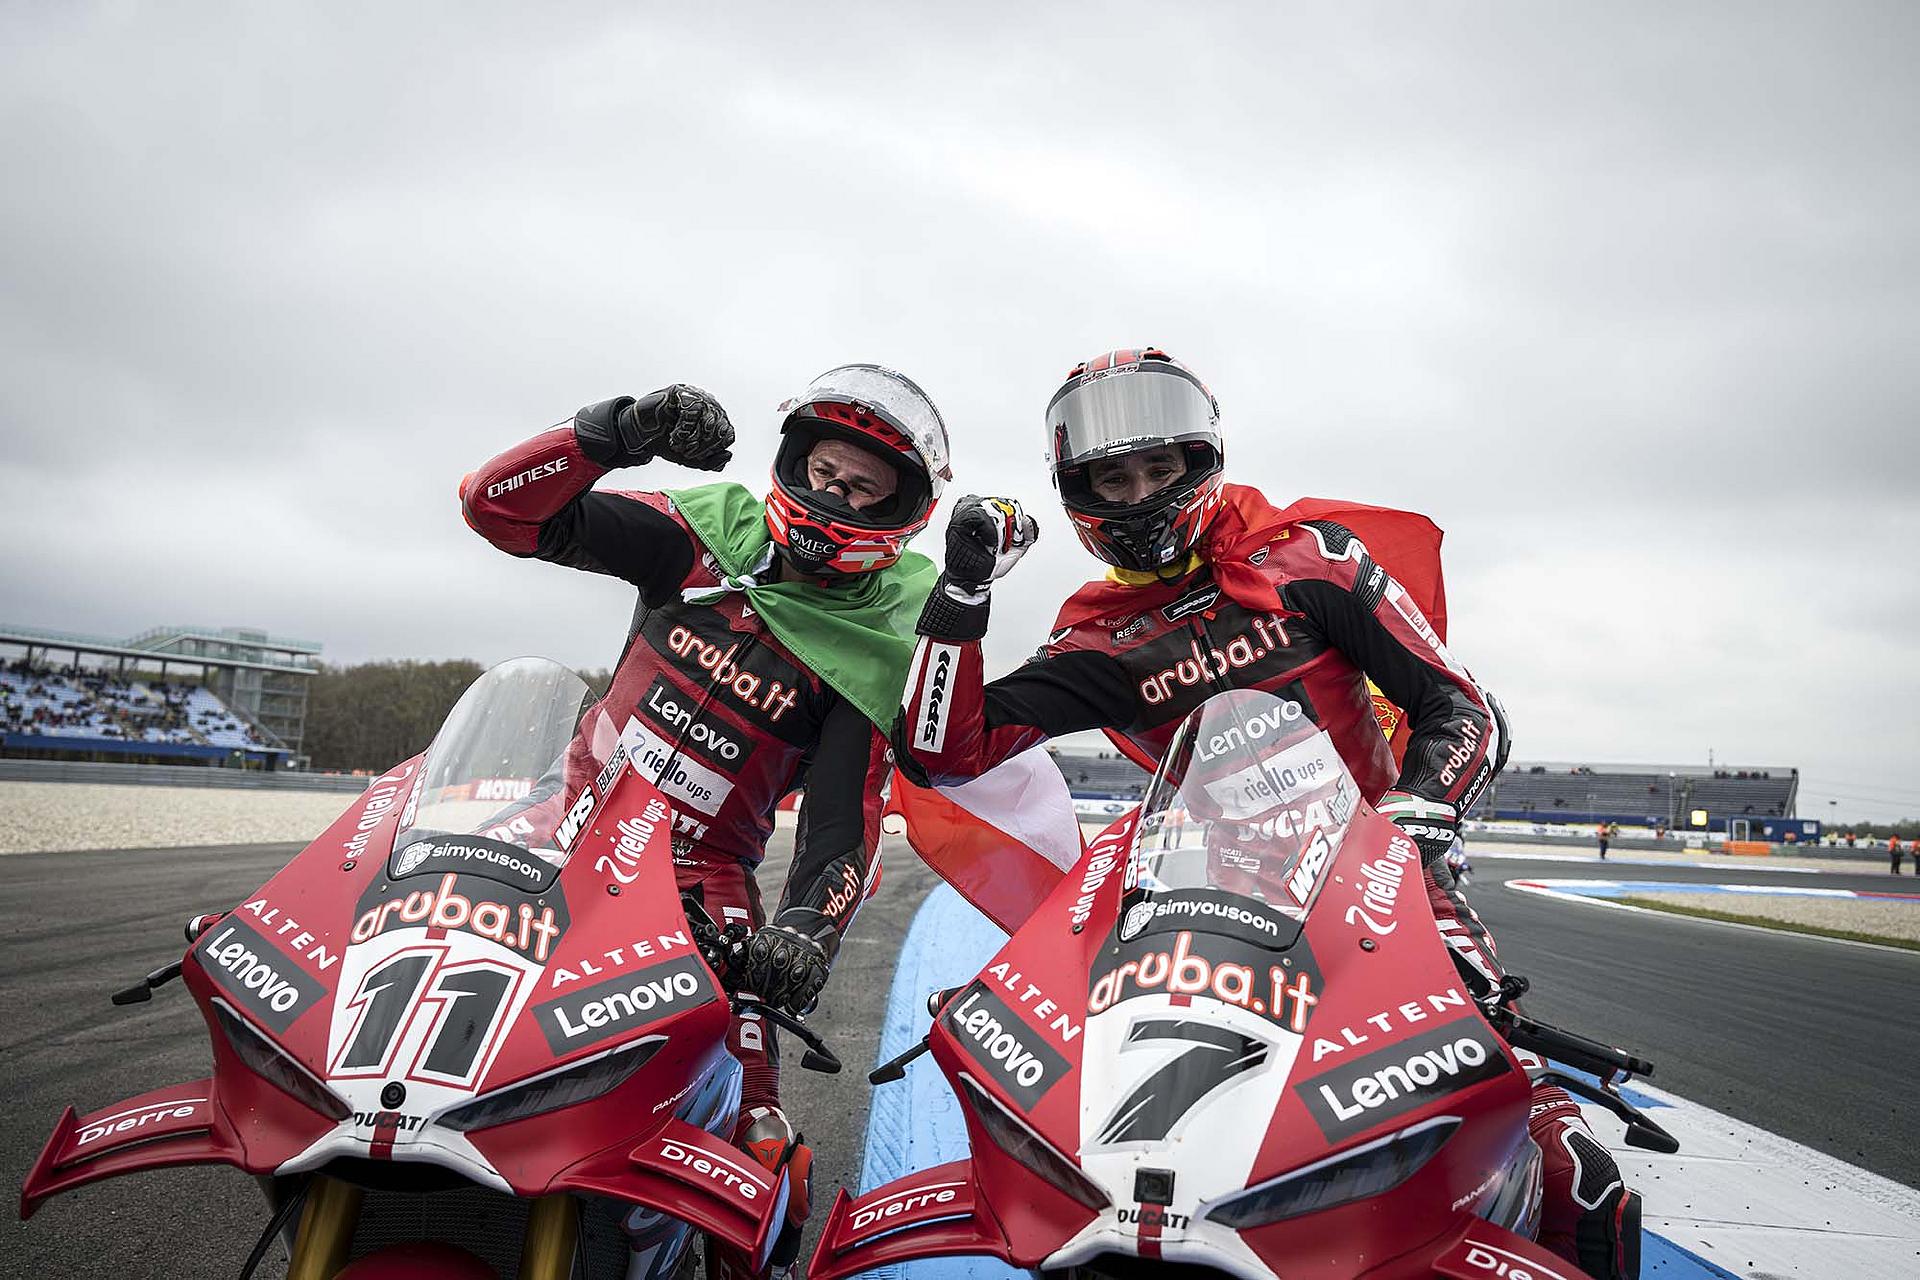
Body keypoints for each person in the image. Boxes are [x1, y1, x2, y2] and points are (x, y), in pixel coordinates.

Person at [896, 347, 1638, 1280]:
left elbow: (1463, 708)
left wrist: (1416, 822)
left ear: (1201, 459)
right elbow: (940, 752)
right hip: (1191, 906)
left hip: (1387, 882)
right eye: (1114, 478)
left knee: (1571, 1167)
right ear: (1079, 494)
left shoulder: (1308, 558)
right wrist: (962, 592)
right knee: (1139, 1149)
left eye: (1158, 467)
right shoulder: (1094, 635)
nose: (1140, 493)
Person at [462, 368, 949, 1279]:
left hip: (702, 885)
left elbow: (842, 832)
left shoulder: (885, 643)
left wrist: (802, 934)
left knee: (760, 1142)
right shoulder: (706, 534)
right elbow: (499, 512)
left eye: (862, 490)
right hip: (558, 833)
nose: (834, 497)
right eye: (824, 472)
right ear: (792, 464)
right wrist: (613, 433)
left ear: (902, 513)